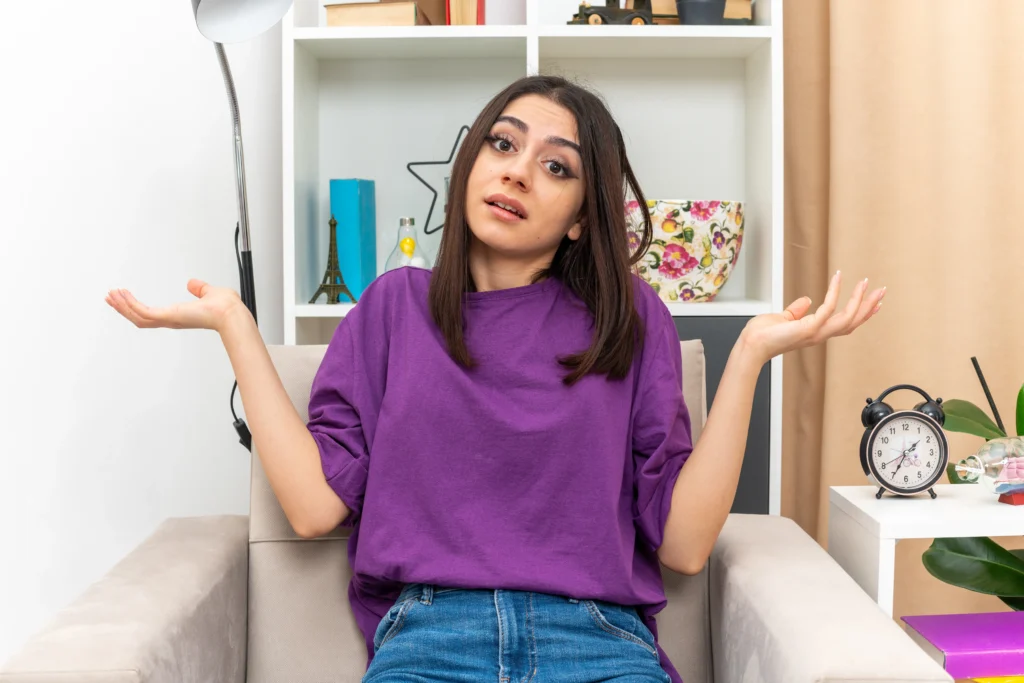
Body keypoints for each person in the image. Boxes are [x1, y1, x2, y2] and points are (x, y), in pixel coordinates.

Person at [106, 74, 885, 683]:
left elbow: (682, 546)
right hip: (429, 642)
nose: (518, 173)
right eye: (502, 145)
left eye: (556, 167)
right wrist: (239, 330)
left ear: (583, 215)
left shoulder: (628, 321)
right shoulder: (391, 309)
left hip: (598, 643)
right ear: (470, 161)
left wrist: (747, 355)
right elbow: (312, 509)